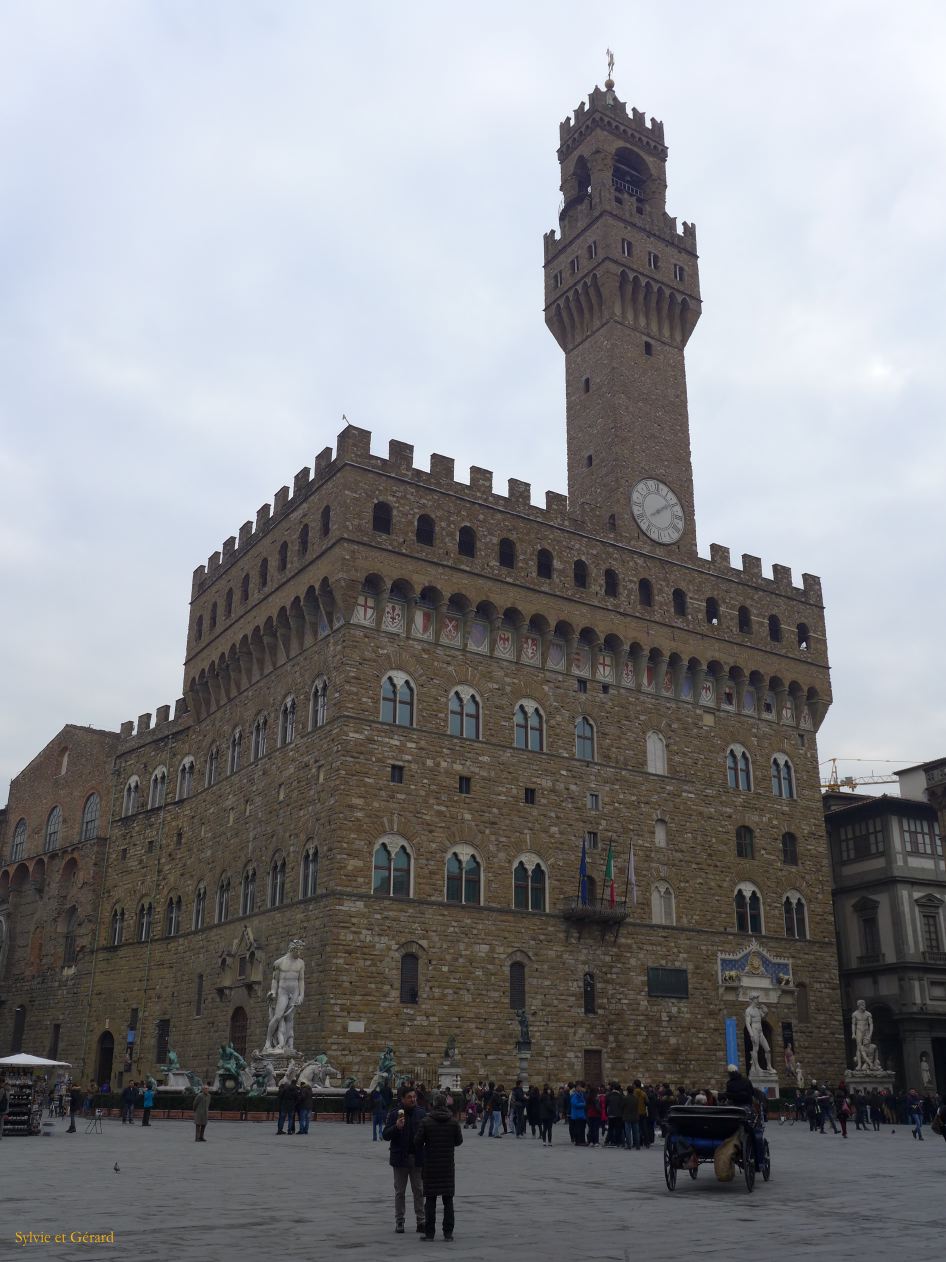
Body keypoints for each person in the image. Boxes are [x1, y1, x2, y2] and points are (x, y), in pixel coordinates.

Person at [413, 1090, 463, 1242]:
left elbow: (417, 1142)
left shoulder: (426, 1122)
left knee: (431, 1200)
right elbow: (459, 1141)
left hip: (431, 1167)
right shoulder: (453, 1122)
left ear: (433, 1105)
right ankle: (448, 1233)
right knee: (448, 1201)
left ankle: (430, 1233)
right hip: (447, 1166)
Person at [382, 1086, 427, 1235]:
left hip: (417, 1158)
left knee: (419, 1191)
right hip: (400, 1158)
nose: (413, 1099)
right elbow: (385, 1135)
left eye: (414, 1097)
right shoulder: (395, 1114)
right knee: (400, 1192)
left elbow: (427, 1134)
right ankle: (399, 1220)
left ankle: (421, 1221)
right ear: (402, 1099)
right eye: (409, 1097)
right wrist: (396, 1127)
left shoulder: (421, 1113)